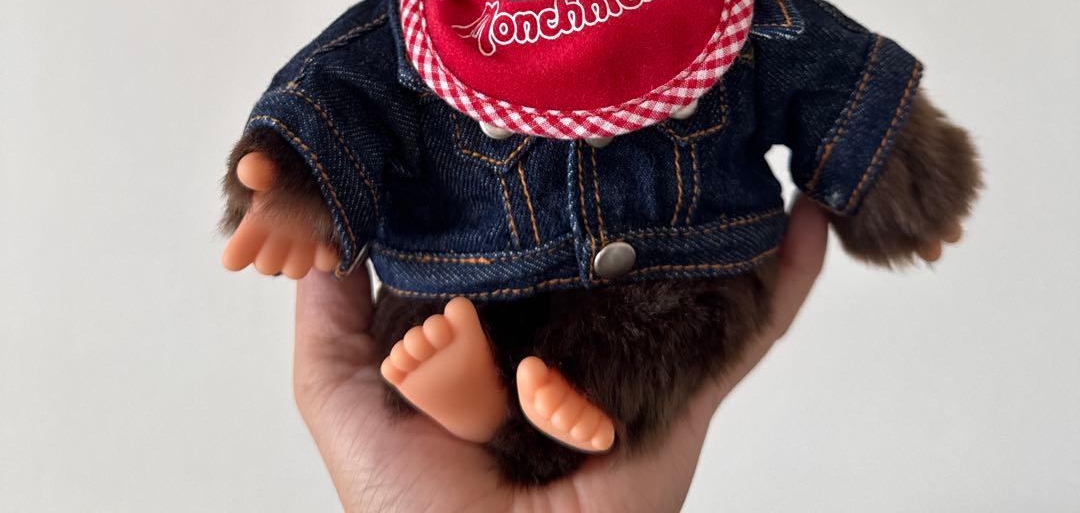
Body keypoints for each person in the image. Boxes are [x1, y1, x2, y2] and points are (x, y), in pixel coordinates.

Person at [293, 196, 829, 512]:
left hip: (647, 259)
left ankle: (503, 410)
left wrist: (299, 174)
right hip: (480, 248)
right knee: (430, 301)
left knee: (662, 326)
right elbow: (359, 74)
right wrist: (297, 168)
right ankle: (516, 404)